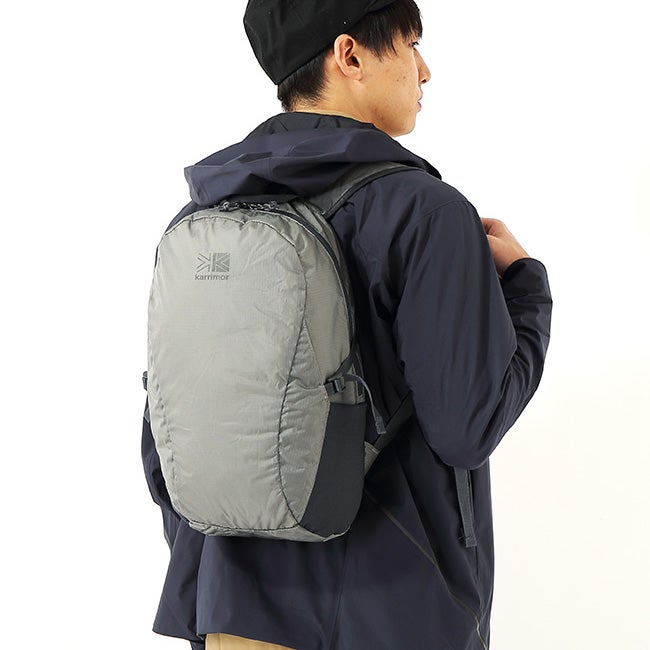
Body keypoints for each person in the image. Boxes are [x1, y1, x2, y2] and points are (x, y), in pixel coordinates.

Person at [141, 1, 553, 648]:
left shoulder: (200, 221)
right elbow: (467, 428)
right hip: (389, 615)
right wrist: (526, 290)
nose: (424, 69)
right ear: (350, 55)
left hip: (230, 617)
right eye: (411, 44)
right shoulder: (425, 214)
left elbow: (165, 444)